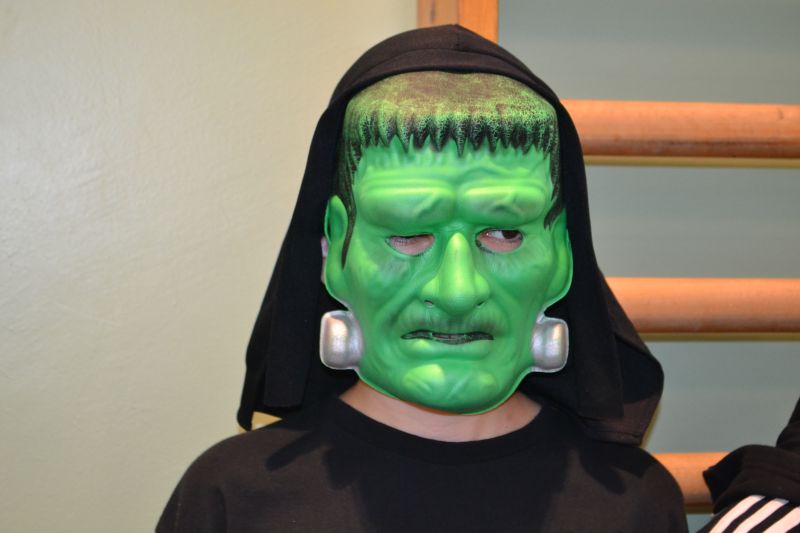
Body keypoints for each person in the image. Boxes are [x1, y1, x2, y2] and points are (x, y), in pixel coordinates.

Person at [158, 25, 688, 532]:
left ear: (562, 256)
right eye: (407, 235)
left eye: (505, 233)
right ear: (335, 250)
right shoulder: (232, 499)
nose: (458, 292)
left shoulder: (634, 505)